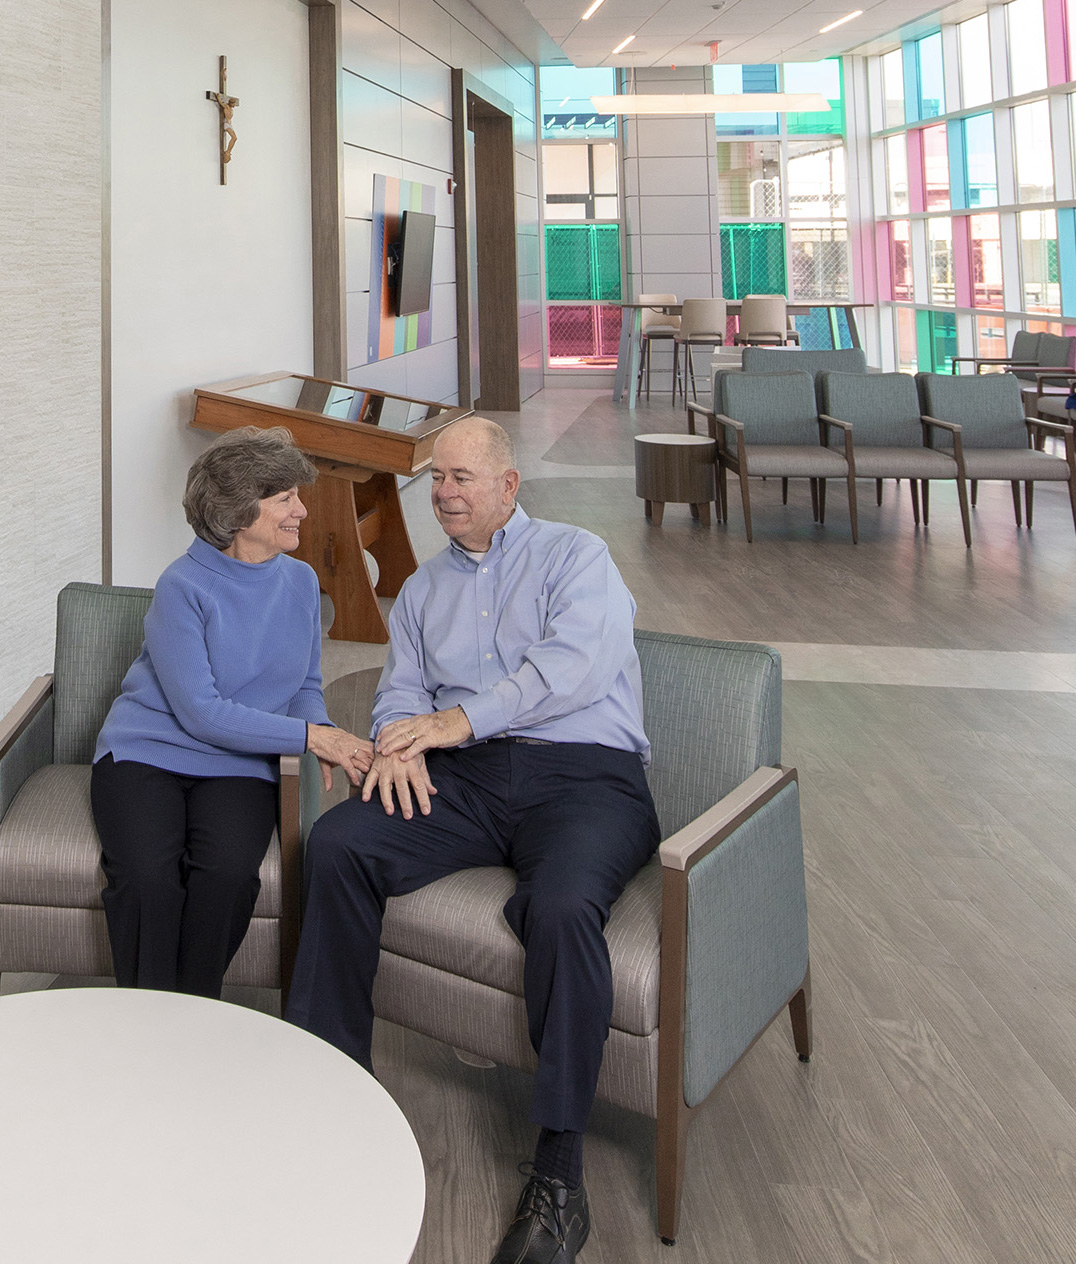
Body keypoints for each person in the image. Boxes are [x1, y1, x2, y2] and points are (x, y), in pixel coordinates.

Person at [285, 416, 659, 1264]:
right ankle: (333, 1086)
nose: (445, 493)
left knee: (561, 908)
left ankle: (560, 1175)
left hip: (585, 779)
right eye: (438, 480)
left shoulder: (576, 557)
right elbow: (399, 690)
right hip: (465, 779)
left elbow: (573, 669)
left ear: (508, 485)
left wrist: (455, 721)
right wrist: (393, 746)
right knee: (340, 843)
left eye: (462, 477)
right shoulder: (421, 592)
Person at [91, 425, 373, 999]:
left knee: (226, 877)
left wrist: (313, 727)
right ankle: (144, 1019)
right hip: (148, 753)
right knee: (147, 880)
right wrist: (310, 738)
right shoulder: (184, 585)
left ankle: (194, 1012)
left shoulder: (300, 582)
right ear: (240, 511)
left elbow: (304, 685)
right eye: (285, 498)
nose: (302, 509)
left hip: (240, 762)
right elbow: (201, 714)